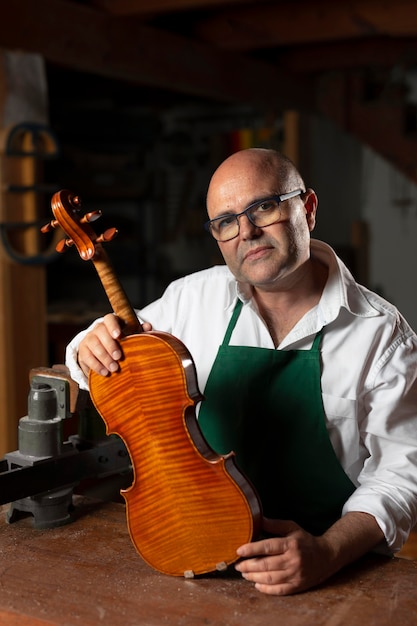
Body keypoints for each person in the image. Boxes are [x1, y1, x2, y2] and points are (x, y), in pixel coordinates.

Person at [66, 147, 417, 596]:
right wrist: (91, 343)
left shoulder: (383, 336)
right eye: (225, 221)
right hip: (194, 551)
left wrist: (328, 551)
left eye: (264, 207)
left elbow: (401, 474)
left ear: (307, 210)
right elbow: (108, 356)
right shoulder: (191, 299)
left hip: (327, 572)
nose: (246, 231)